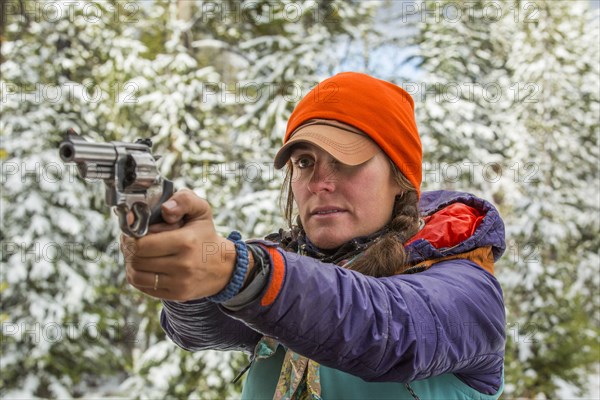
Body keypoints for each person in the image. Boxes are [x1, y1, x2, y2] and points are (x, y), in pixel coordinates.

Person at [121, 72, 506, 399]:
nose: (320, 182)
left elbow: (387, 329)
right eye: (305, 162)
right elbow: (200, 332)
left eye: (346, 162)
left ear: (400, 180)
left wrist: (239, 271)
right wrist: (185, 267)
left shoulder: (468, 291)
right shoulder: (286, 269)